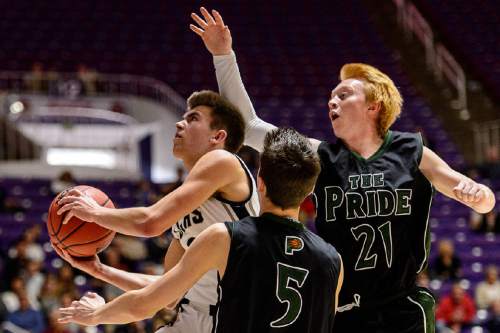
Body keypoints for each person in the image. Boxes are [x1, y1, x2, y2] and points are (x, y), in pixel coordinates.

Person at [189, 7, 496, 332]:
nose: (331, 102)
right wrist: (223, 55)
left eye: (343, 95)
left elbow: (478, 194)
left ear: (373, 106)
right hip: (343, 307)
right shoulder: (322, 155)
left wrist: (480, 197)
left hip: (402, 307)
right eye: (330, 98)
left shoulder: (412, 151)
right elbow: (250, 128)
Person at [57, 127, 344, 333]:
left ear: (260, 183)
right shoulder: (333, 260)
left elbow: (147, 304)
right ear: (308, 194)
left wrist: (96, 314)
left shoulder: (225, 237)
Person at [54, 90, 259, 333]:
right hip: (194, 318)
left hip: (228, 319)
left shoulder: (223, 161)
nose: (179, 123)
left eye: (193, 118)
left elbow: (150, 223)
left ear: (218, 136)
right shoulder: (187, 210)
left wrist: (94, 213)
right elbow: (167, 292)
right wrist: (98, 270)